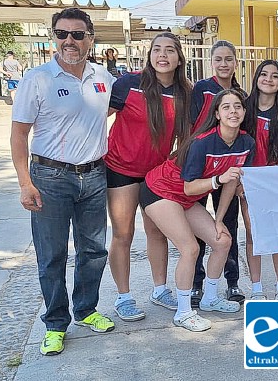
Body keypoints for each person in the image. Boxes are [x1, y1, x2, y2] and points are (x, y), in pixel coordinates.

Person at [10, 8, 116, 356]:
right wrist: (26, 183)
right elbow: (19, 135)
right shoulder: (37, 79)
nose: (69, 41)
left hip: (94, 176)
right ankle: (56, 323)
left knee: (94, 250)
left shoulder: (104, 78)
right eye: (62, 34)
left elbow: (111, 111)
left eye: (77, 34)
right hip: (50, 178)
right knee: (52, 254)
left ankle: (86, 310)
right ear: (54, 37)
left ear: (90, 38)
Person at [140, 88, 254, 331]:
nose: (233, 111)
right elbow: (191, 188)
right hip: (160, 191)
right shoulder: (201, 143)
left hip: (183, 197)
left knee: (223, 240)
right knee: (190, 248)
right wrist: (218, 179)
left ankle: (210, 298)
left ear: (244, 111)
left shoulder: (246, 143)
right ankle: (183, 312)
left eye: (237, 106)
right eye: (226, 107)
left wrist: (219, 219)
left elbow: (231, 182)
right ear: (217, 113)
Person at [105, 33, 193, 321]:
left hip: (157, 175)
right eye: (157, 50)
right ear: (149, 55)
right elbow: (95, 119)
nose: (162, 55)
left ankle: (159, 289)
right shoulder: (128, 84)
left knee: (157, 232)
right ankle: (124, 296)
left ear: (179, 57)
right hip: (121, 168)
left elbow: (188, 135)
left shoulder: (185, 92)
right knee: (123, 233)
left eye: (169, 50)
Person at [190, 40, 244, 305]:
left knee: (228, 225)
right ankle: (196, 283)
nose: (224, 64)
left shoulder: (240, 94)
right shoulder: (201, 88)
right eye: (219, 59)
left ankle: (232, 282)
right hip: (202, 167)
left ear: (236, 62)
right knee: (199, 229)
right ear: (212, 62)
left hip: (229, 167)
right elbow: (189, 125)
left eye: (229, 59)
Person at [241, 60, 278, 300]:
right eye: (264, 74)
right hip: (248, 183)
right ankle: (256, 288)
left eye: (275, 76)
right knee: (253, 234)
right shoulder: (244, 109)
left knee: (277, 235)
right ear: (256, 78)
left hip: (274, 183)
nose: (269, 79)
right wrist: (239, 183)